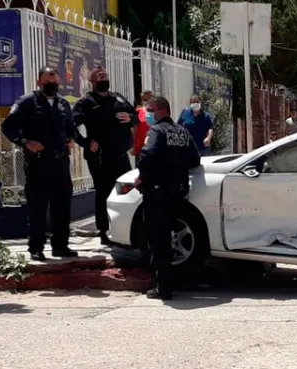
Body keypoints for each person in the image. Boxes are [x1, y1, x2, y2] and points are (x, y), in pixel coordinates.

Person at [1, 67, 78, 261]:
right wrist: (26, 142)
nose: (52, 84)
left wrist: (71, 139)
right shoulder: (27, 102)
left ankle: (61, 246)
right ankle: (36, 247)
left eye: (54, 80)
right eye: (47, 81)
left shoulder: (63, 104)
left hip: (61, 163)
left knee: (62, 206)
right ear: (39, 82)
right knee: (38, 208)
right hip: (39, 164)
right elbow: (8, 126)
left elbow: (70, 128)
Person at [137, 96, 201, 300]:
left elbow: (148, 155)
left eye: (151, 110)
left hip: (157, 192)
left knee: (158, 240)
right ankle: (170, 282)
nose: (149, 114)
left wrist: (142, 176)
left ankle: (163, 287)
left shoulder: (156, 131)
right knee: (171, 238)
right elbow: (195, 159)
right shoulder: (182, 131)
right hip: (178, 193)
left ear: (162, 111)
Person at [73, 66, 138, 246]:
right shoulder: (86, 102)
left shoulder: (118, 97)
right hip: (100, 157)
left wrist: (131, 118)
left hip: (120, 155)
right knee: (103, 193)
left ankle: (126, 229)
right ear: (92, 82)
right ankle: (103, 231)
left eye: (105, 75)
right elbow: (70, 125)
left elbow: (136, 115)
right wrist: (85, 142)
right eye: (100, 76)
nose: (104, 78)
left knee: (127, 191)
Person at [132, 89, 154, 165]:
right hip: (140, 147)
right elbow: (134, 129)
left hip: (153, 146)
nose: (147, 101)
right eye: (145, 99)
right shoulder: (138, 111)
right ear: (142, 100)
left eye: (150, 99)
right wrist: (133, 146)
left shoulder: (158, 111)